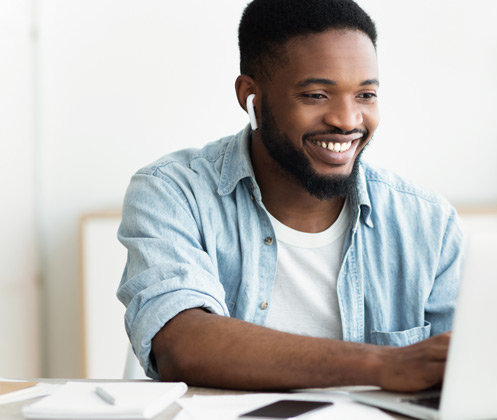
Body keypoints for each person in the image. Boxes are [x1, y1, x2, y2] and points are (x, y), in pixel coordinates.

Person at [117, 0, 463, 392]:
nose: (347, 121)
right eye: (317, 95)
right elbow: (182, 344)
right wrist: (382, 364)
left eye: (365, 95)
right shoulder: (173, 193)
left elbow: (472, 371)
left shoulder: (428, 222)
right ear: (252, 96)